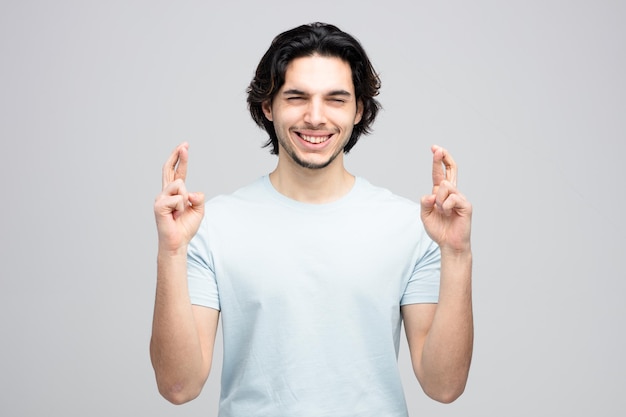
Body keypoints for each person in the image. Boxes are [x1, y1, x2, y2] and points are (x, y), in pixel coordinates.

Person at [150, 22, 473, 417]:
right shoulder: (210, 227)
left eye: (336, 99)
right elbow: (178, 387)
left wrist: (456, 254)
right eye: (297, 97)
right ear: (268, 106)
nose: (315, 117)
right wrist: (171, 251)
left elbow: (444, 387)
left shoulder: (411, 227)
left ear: (359, 110)